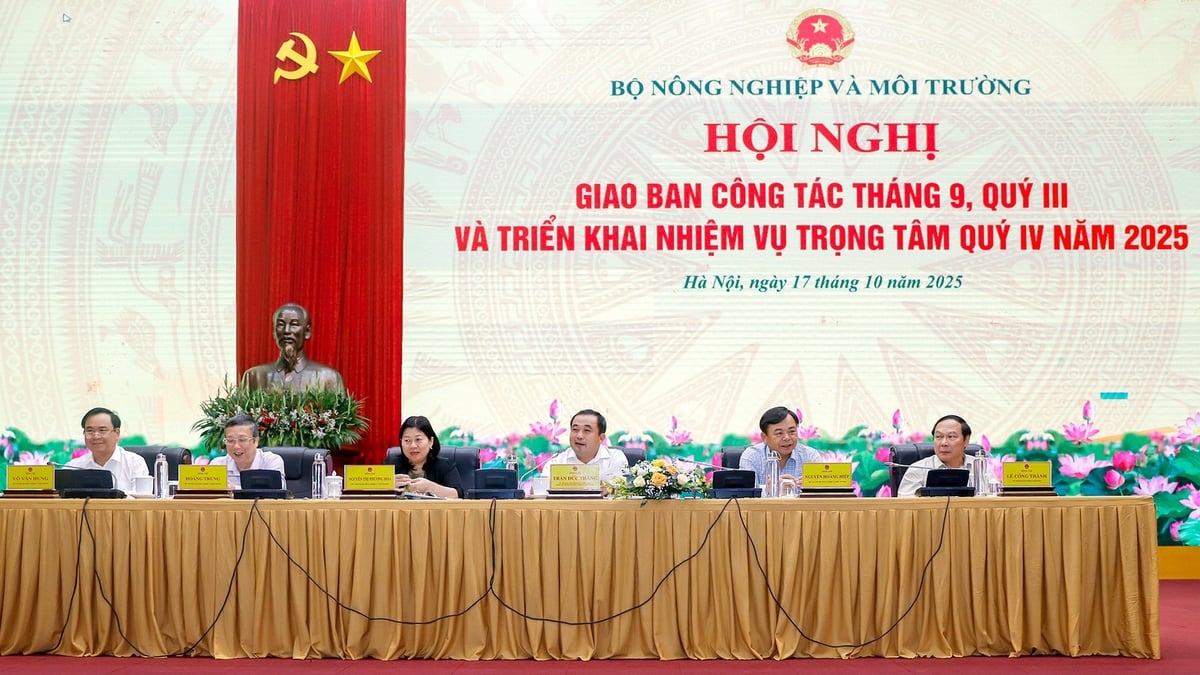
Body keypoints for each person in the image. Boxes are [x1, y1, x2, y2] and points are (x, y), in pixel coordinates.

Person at [240, 303, 346, 393]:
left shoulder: (328, 377)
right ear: (274, 331)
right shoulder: (254, 376)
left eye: (294, 325)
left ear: (307, 332)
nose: (286, 331)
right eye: (281, 324)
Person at [66, 407, 150, 492]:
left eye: (102, 430)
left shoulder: (134, 463)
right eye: (90, 431)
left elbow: (142, 497)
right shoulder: (73, 467)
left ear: (117, 433)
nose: (96, 436)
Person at [739, 406, 822, 488]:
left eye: (792, 431)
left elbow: (821, 491)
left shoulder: (810, 456)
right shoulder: (752, 456)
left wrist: (810, 490)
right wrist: (769, 491)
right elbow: (746, 493)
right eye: (779, 433)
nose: (787, 437)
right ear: (764, 437)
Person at [539, 408, 629, 482]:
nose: (579, 436)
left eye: (587, 430)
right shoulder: (557, 462)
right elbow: (543, 491)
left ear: (601, 437)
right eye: (575, 429)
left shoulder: (615, 458)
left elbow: (620, 490)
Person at [897, 414, 973, 497]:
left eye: (951, 437)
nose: (944, 443)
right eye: (938, 437)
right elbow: (905, 503)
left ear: (966, 440)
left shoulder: (980, 467)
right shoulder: (917, 469)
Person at [391, 416, 463, 498]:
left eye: (418, 439)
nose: (413, 445)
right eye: (407, 440)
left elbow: (457, 495)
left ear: (431, 441)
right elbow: (379, 495)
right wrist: (387, 486)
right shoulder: (391, 464)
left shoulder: (445, 466)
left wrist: (429, 487)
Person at [208, 414, 286, 489]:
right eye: (230, 440)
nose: (236, 446)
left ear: (256, 441)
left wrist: (234, 489)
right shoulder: (218, 465)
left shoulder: (270, 461)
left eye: (242, 440)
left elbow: (275, 491)